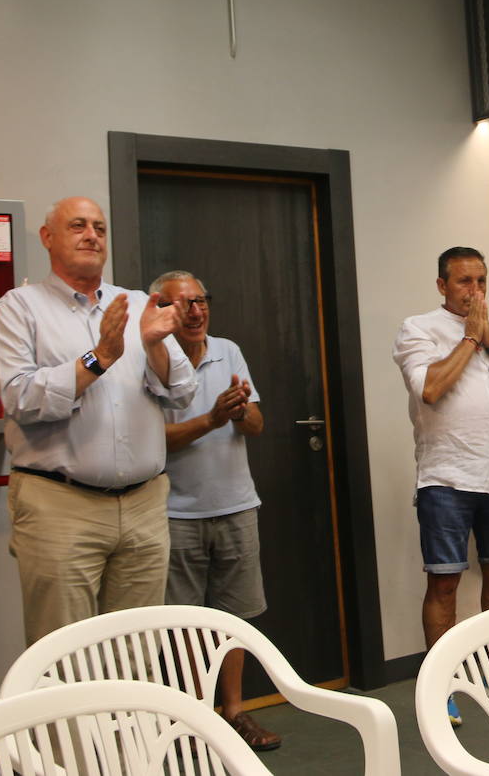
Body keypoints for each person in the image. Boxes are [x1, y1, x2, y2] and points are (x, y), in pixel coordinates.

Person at [0, 196, 197, 645]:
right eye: (78, 226)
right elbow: (20, 397)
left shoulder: (139, 304)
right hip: (59, 505)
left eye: (99, 228)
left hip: (143, 505)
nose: (92, 236)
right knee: (65, 653)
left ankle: (132, 720)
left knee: (138, 650)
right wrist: (98, 359)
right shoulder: (20, 308)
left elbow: (183, 391)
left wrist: (156, 345)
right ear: (48, 238)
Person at [393, 247, 489, 725]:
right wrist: (471, 341)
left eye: (481, 280)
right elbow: (431, 389)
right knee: (445, 582)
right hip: (447, 477)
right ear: (442, 285)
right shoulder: (417, 329)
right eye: (463, 281)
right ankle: (441, 687)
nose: (475, 291)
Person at [152, 270, 277, 752]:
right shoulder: (154, 358)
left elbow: (257, 424)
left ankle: (235, 713)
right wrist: (211, 419)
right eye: (185, 303)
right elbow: (152, 442)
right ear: (163, 308)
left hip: (236, 506)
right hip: (176, 512)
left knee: (236, 618)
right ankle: (195, 720)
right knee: (185, 623)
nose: (197, 311)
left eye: (202, 301)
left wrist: (241, 411)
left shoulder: (229, 350)